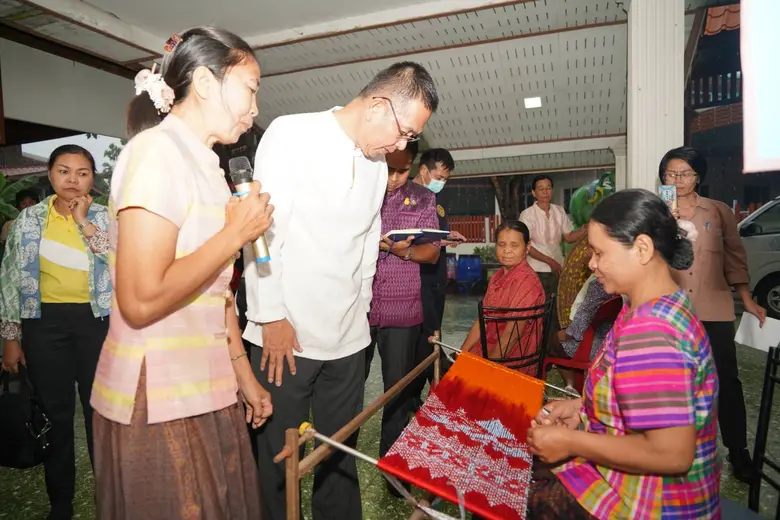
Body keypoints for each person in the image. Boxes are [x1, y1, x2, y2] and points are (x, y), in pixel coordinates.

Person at [89, 27, 274, 519]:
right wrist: (236, 235)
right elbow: (141, 299)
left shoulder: (209, 169)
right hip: (158, 394)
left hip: (208, 386)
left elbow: (216, 296)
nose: (255, 107)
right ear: (207, 82)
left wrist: (242, 375)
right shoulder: (155, 153)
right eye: (251, 88)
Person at [242, 61, 438, 520]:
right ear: (377, 105)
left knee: (339, 455)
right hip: (285, 333)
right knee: (279, 461)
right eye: (405, 132)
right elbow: (261, 235)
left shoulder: (374, 165)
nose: (402, 146)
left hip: (349, 337)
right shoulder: (293, 135)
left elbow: (368, 243)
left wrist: (362, 313)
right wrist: (270, 316)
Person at [526, 189, 720, 520]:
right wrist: (582, 409)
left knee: (513, 491)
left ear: (642, 249)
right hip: (647, 490)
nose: (591, 264)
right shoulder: (651, 305)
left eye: (600, 253)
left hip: (654, 506)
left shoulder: (653, 333)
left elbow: (672, 454)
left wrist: (572, 442)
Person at [0, 145, 110, 520]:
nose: (72, 180)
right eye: (64, 171)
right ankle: (60, 503)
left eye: (82, 172)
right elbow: (11, 279)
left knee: (102, 415)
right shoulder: (29, 221)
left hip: (98, 323)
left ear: (92, 178)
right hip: (43, 325)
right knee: (55, 416)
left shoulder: (106, 219)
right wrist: (11, 337)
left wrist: (84, 222)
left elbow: (121, 260)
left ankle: (110, 499)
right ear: (49, 175)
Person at [660, 146, 765, 482]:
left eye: (684, 173)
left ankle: (738, 452)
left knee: (726, 382)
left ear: (698, 177)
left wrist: (746, 298)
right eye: (670, 174)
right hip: (671, 311)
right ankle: (675, 451)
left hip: (714, 308)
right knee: (672, 384)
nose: (677, 180)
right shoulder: (656, 213)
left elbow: (734, 258)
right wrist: (665, 222)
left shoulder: (719, 212)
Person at [364, 143, 439, 492]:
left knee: (397, 392)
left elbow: (432, 253)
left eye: (402, 171)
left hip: (402, 307)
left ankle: (392, 468)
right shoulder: (361, 190)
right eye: (389, 170)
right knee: (347, 391)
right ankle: (337, 465)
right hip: (357, 308)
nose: (394, 179)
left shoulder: (423, 199)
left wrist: (403, 250)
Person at [408, 148, 463, 409]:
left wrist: (447, 238)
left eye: (446, 178)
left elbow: (432, 235)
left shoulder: (435, 201)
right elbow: (408, 238)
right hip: (416, 278)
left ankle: (424, 393)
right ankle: (433, 389)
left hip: (436, 276)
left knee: (430, 338)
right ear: (423, 170)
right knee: (422, 340)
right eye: (439, 176)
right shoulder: (404, 198)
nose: (442, 181)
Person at [459, 220, 545, 376]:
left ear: (527, 247)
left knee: (457, 387)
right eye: (501, 244)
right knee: (451, 378)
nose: (507, 251)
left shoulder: (527, 281)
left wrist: (487, 367)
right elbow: (482, 320)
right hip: (490, 347)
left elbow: (512, 335)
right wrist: (462, 353)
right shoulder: (498, 276)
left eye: (514, 245)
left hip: (514, 359)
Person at [546, 272, 614, 394]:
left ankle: (570, 387)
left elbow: (576, 331)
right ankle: (571, 387)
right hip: (609, 343)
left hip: (590, 348)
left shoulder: (599, 285)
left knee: (550, 342)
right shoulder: (624, 284)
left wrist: (557, 336)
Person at [519, 175, 587, 297]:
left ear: (552, 190)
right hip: (536, 269)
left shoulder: (559, 211)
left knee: (555, 306)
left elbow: (569, 236)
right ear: (534, 193)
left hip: (558, 269)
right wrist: (550, 262)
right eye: (541, 189)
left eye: (548, 188)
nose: (545, 192)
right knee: (539, 306)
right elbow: (526, 246)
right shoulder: (527, 215)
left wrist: (584, 229)